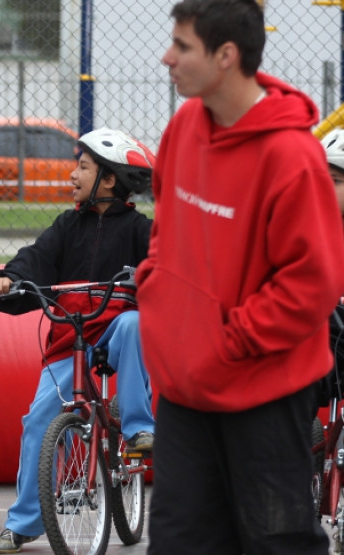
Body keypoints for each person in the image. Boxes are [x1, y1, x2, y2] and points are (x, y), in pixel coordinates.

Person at [137, 1, 344, 552]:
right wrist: (158, 295)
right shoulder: (184, 126)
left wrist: (229, 340)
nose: (167, 58)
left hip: (263, 394)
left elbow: (314, 282)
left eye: (182, 46)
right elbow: (166, 229)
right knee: (179, 542)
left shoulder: (291, 156)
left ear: (226, 55)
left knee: (276, 542)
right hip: (186, 389)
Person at [0, 127, 157, 553]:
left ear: (109, 180)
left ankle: (138, 428)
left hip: (114, 331)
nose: (72, 175)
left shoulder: (140, 230)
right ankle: (24, 523)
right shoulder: (65, 226)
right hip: (71, 339)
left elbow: (166, 262)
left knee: (135, 325)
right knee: (38, 420)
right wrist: (8, 279)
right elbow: (34, 259)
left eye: (83, 167)